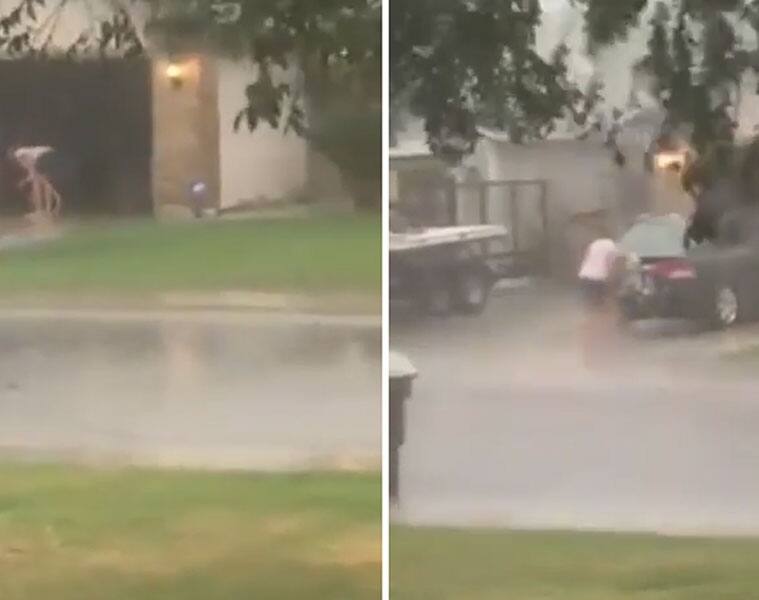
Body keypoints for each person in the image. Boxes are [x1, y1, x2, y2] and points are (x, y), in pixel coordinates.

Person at [8, 145, 63, 216]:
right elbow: (33, 172)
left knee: (38, 183)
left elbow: (33, 171)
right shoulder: (28, 153)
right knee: (46, 183)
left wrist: (26, 181)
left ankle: (40, 210)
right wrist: (26, 180)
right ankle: (47, 210)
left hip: (45, 157)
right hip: (52, 156)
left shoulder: (19, 153)